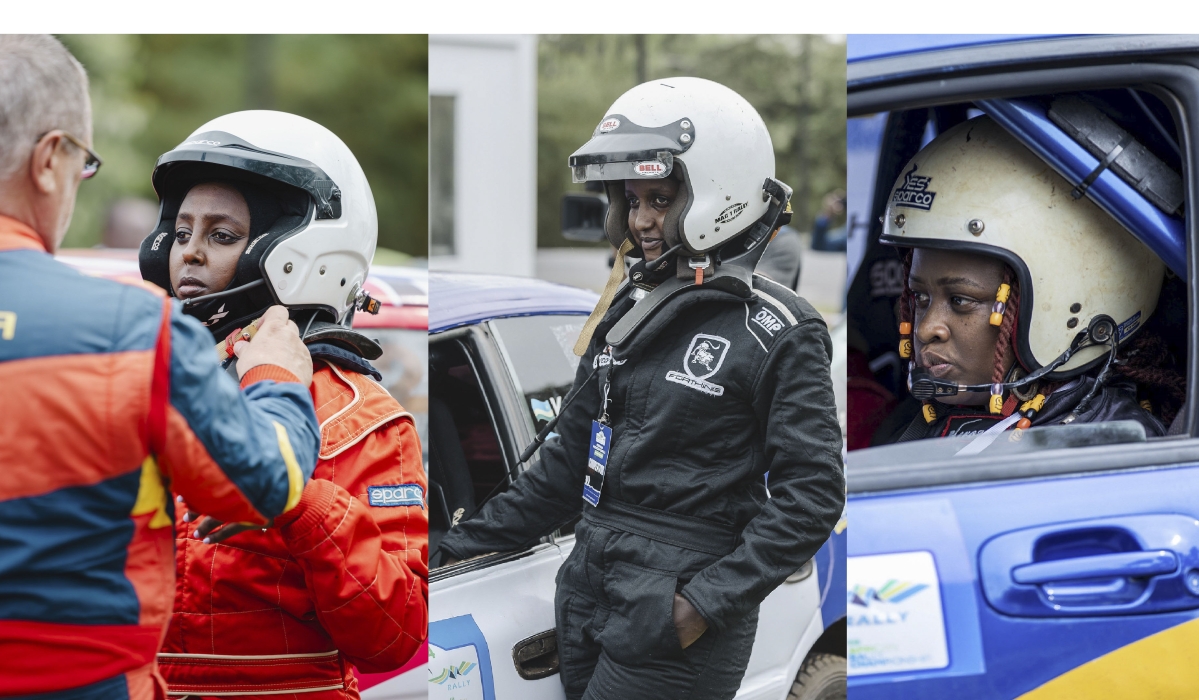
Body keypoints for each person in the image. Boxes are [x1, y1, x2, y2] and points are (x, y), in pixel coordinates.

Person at [437, 77, 844, 700]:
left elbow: (812, 495)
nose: (642, 220)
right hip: (589, 583)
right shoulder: (630, 307)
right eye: (631, 200)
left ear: (717, 192)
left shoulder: (778, 330)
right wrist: (448, 551)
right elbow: (564, 466)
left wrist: (700, 605)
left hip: (677, 604)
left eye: (659, 198)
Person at [0, 35, 321, 699]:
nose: (191, 254)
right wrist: (277, 378)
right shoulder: (131, 331)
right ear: (50, 159)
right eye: (84, 164)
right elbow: (263, 482)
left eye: (221, 235)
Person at [138, 111, 428, 699]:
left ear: (305, 254)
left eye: (221, 236)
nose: (188, 253)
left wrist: (299, 504)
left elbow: (393, 636)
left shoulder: (357, 420)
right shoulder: (135, 379)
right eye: (183, 231)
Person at [879, 115, 1181, 442]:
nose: (926, 329)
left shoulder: (1105, 442)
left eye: (960, 301)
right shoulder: (917, 420)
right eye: (920, 298)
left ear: (1064, 304)